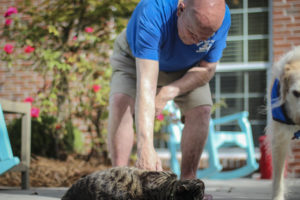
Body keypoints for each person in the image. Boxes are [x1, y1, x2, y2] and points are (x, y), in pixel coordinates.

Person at [108, 0, 231, 179]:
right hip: (135, 58)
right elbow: (147, 85)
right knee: (121, 101)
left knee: (202, 109)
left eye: (205, 38)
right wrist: (146, 147)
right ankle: (117, 179)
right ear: (181, 9)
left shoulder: (221, 19)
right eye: (192, 33)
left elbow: (207, 69)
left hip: (187, 67)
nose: (197, 42)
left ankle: (188, 182)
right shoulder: (153, 11)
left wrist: (168, 92)